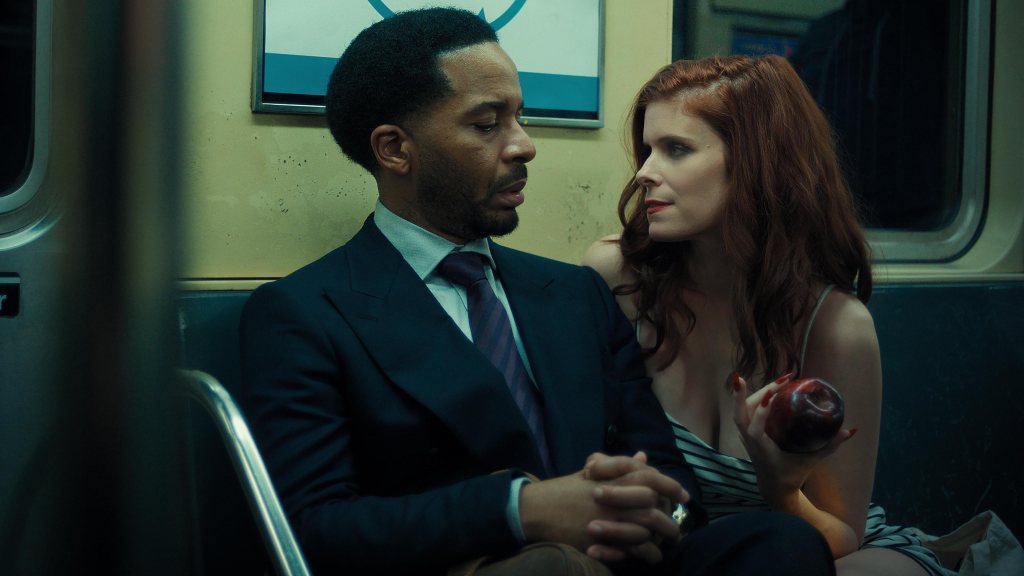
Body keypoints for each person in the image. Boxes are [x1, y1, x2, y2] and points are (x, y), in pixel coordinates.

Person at [240, 9, 836, 576]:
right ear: (395, 149)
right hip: (479, 562)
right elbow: (313, 528)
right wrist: (520, 510)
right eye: (486, 124)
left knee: (781, 542)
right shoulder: (308, 313)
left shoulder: (574, 293)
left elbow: (668, 475)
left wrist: (656, 511)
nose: (524, 144)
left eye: (520, 117)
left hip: (621, 557)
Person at [582, 55, 951, 576]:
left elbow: (839, 535)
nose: (644, 173)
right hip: (684, 550)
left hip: (808, 549)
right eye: (647, 150)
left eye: (676, 150)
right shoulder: (618, 277)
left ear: (756, 163)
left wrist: (780, 484)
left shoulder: (833, 324)